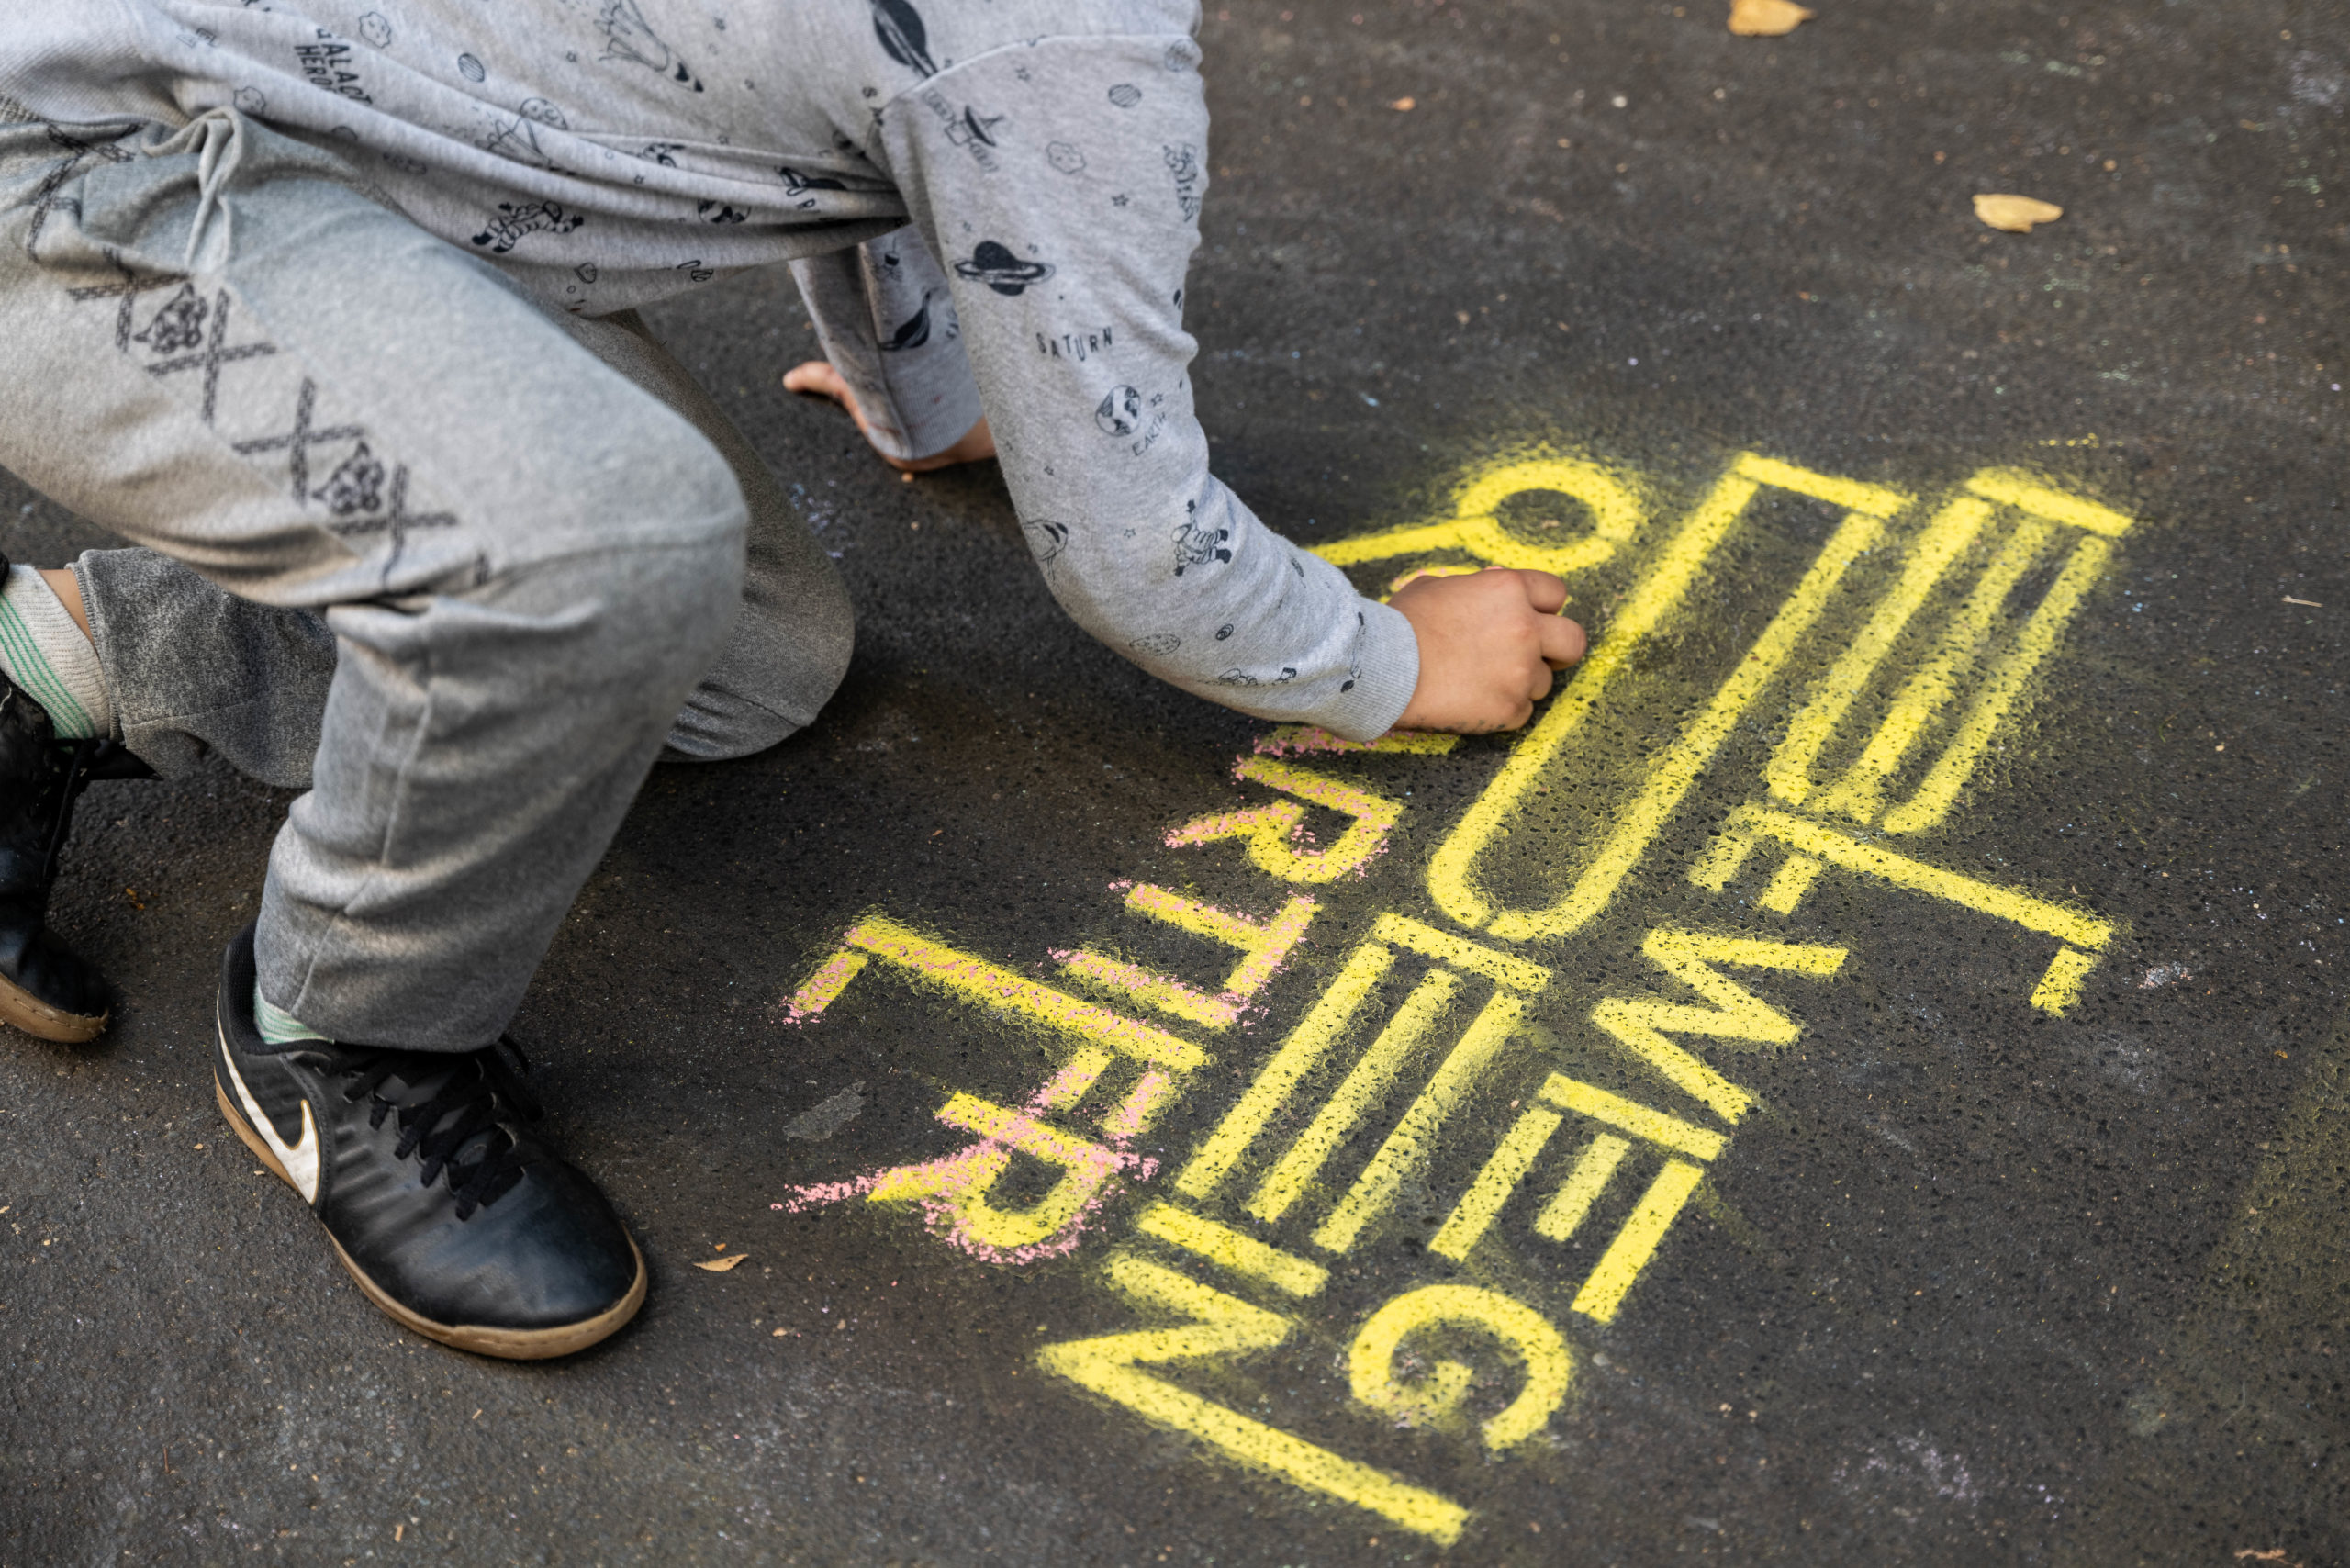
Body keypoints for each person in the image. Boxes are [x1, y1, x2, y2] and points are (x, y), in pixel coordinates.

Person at [0, 0, 1585, 1359]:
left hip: (274, 141)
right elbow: (1134, 552)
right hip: (90, 177)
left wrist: (929, 393)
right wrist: (1384, 658)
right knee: (605, 554)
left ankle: (47, 666)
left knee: (732, 650)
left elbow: (901, 102)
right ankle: (342, 1021)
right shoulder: (1074, 48)